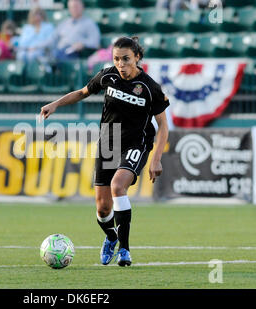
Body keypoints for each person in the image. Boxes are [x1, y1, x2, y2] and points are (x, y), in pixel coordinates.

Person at [40, 37, 169, 266]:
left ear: (137, 57)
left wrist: (156, 159)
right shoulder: (107, 76)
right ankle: (111, 237)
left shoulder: (151, 88)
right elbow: (82, 92)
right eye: (117, 59)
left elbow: (163, 127)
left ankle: (125, 250)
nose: (121, 64)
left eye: (126, 59)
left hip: (136, 144)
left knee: (118, 186)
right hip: (108, 143)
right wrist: (55, 104)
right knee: (102, 208)